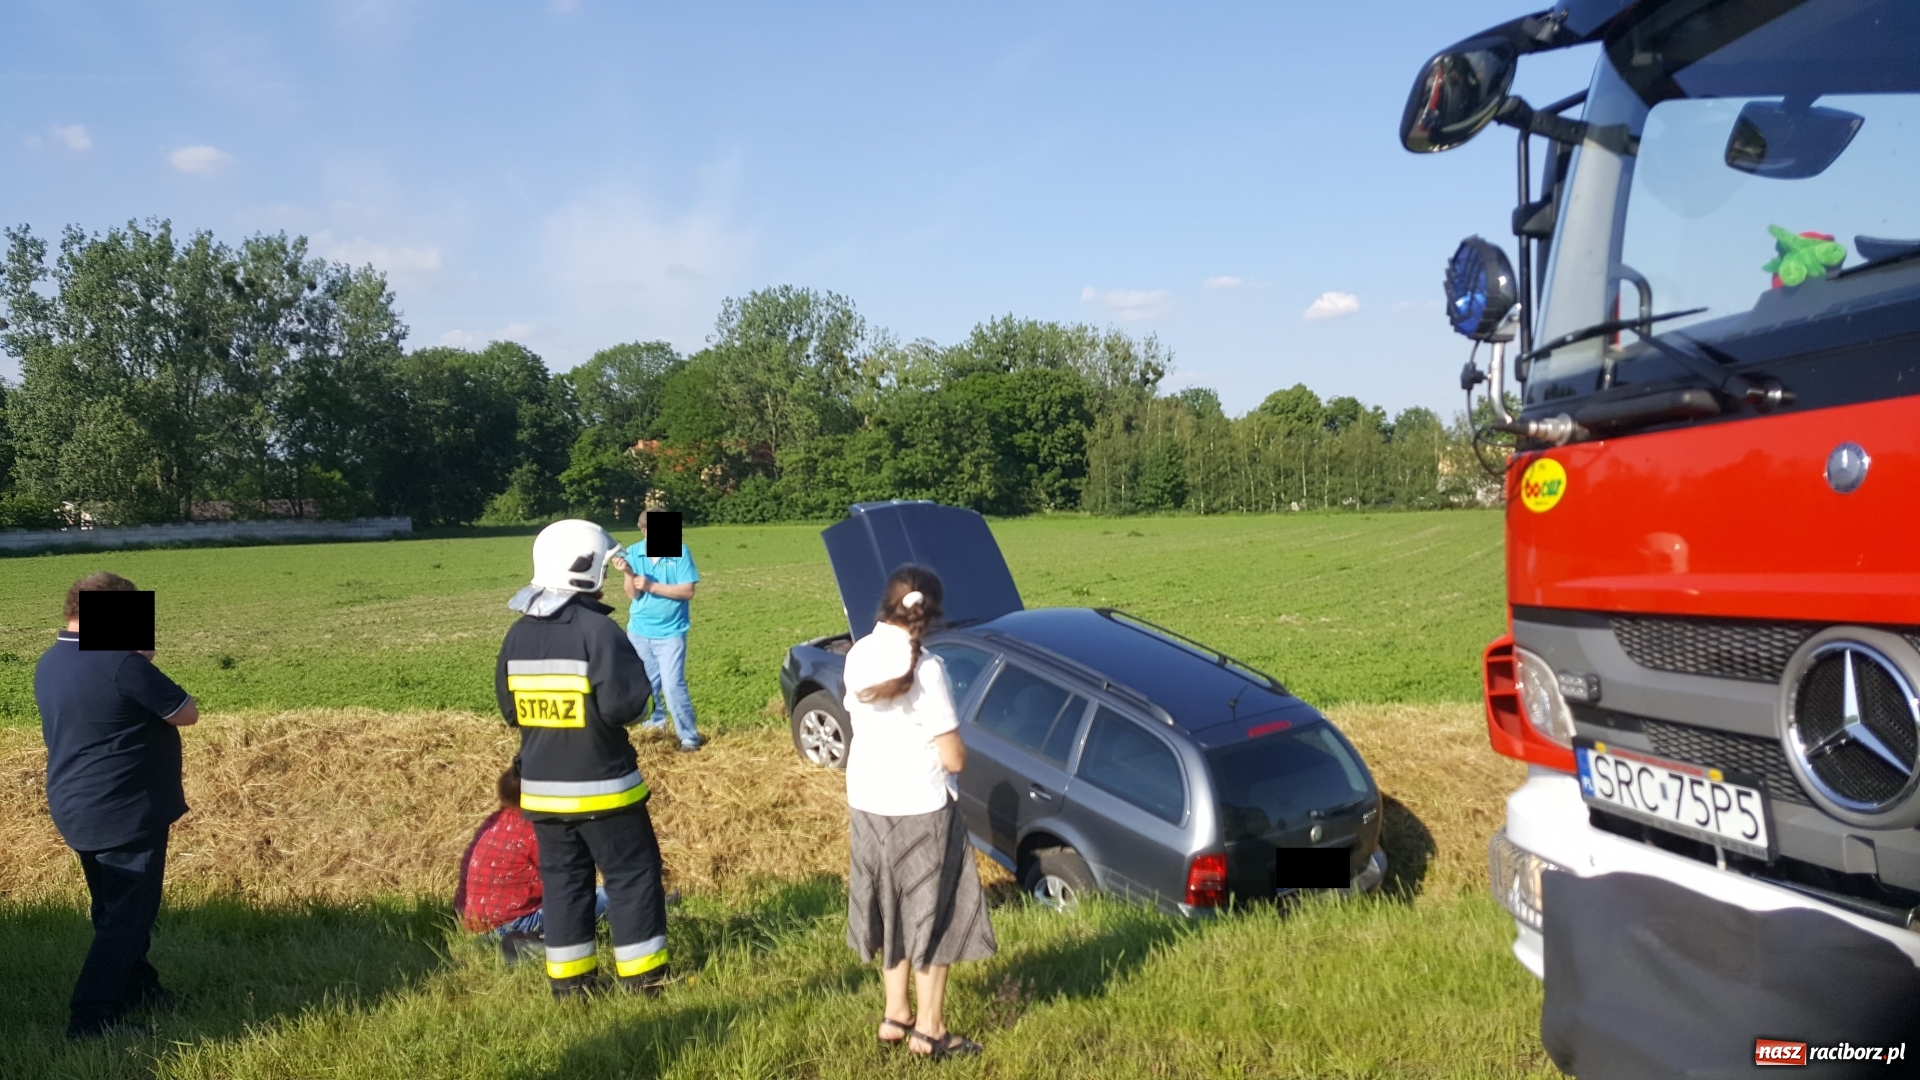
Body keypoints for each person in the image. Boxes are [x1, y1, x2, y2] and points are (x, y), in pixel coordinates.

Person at [496, 519, 671, 999]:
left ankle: (571, 987)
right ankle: (644, 981)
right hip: (605, 791)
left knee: (564, 885)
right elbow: (625, 707)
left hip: (542, 794)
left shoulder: (517, 635)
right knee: (632, 877)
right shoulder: (599, 630)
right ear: (585, 568)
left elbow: (511, 711)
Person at [34, 571, 201, 1039]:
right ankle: (91, 1019)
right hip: (126, 810)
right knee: (128, 917)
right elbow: (186, 713)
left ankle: (138, 988)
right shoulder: (123, 664)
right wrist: (141, 659)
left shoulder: (50, 661)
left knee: (112, 908)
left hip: (77, 803)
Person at [842, 564, 995, 1060]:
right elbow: (953, 758)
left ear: (886, 603)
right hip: (923, 808)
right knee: (935, 913)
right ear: (933, 613)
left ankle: (895, 1015)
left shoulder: (858, 654)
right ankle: (930, 1031)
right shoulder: (928, 669)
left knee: (889, 905)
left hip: (868, 802)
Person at [454, 762, 606, 965]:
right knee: (610, 897)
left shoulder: (496, 820)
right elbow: (569, 882)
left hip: (472, 924)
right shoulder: (538, 830)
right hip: (513, 923)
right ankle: (534, 942)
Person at [611, 508, 704, 753]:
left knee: (672, 686)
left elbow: (687, 591)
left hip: (671, 633)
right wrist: (628, 573)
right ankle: (655, 731)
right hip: (639, 631)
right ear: (645, 531)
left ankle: (689, 738)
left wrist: (652, 586)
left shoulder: (680, 552)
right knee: (646, 686)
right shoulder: (633, 553)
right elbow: (632, 594)